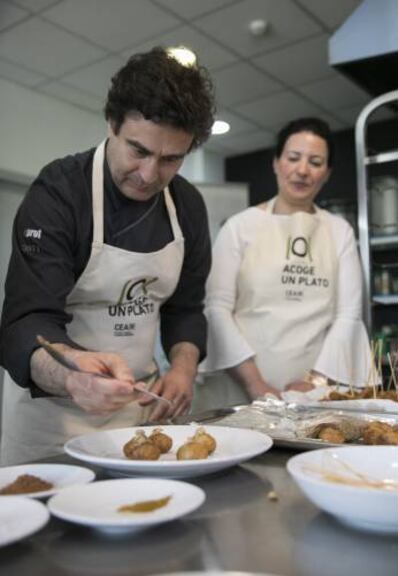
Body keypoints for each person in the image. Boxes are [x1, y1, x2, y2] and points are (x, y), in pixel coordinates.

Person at [0, 47, 216, 465]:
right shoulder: (60, 193)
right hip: (51, 421)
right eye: (138, 150)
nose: (150, 175)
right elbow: (26, 322)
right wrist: (72, 374)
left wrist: (183, 367)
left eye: (171, 159)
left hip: (140, 418)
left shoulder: (187, 205)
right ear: (112, 125)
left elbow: (186, 308)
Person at [194, 117, 372, 410]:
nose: (303, 170)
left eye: (315, 162)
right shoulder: (240, 227)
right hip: (238, 389)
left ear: (327, 173)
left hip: (313, 397)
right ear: (276, 163)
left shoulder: (340, 232)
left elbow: (348, 316)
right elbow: (217, 307)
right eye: (293, 158)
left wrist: (315, 381)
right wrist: (254, 383)